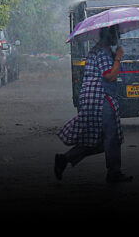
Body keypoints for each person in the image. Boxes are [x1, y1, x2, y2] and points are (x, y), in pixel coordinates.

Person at [55, 25, 132, 183]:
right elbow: (109, 76)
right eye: (116, 33)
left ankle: (65, 159)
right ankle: (113, 173)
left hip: (95, 98)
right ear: (110, 36)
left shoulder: (101, 51)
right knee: (111, 137)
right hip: (100, 98)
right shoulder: (102, 53)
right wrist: (118, 58)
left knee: (99, 140)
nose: (119, 36)